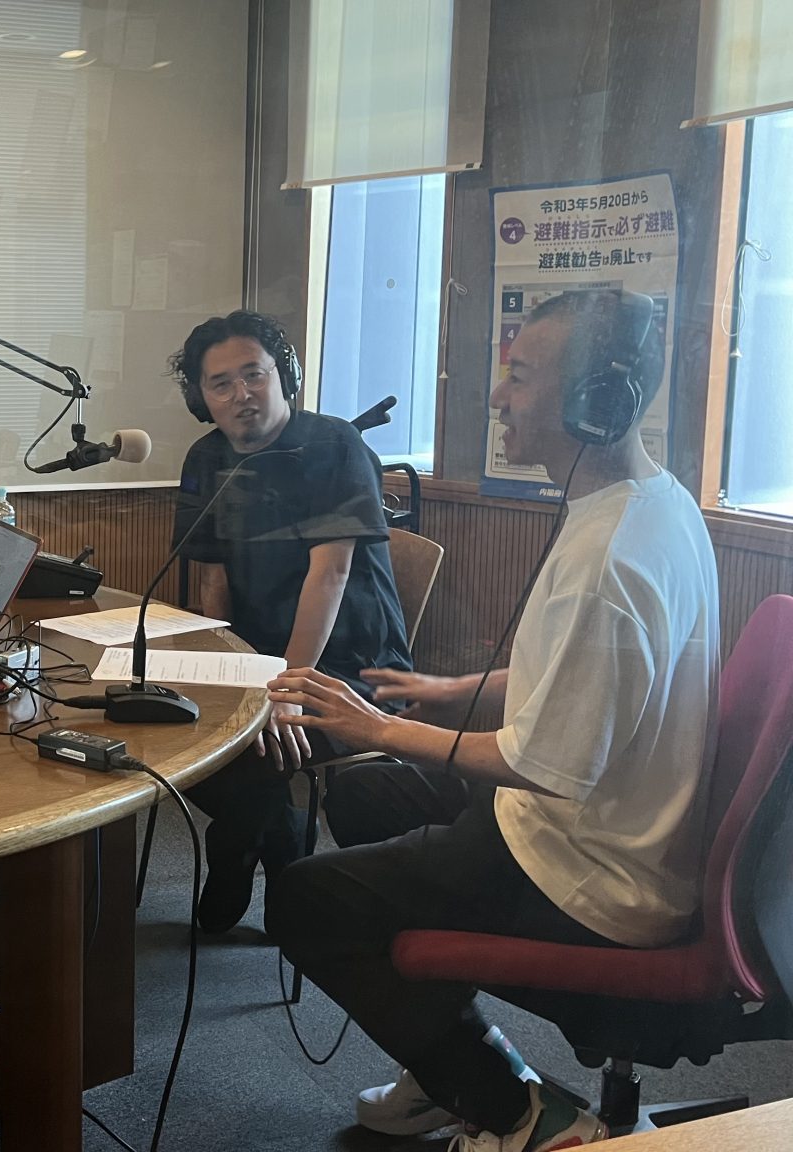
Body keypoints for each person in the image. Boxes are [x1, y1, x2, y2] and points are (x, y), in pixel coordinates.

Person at [267, 289, 719, 1150]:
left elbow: (544, 762)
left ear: (596, 399)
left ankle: (524, 1114)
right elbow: (584, 678)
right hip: (590, 830)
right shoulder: (652, 503)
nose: (500, 396)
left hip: (590, 877)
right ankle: (450, 1062)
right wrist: (451, 689)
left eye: (523, 375)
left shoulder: (609, 562)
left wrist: (381, 728)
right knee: (364, 798)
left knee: (304, 902)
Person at [168, 309, 412, 937]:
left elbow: (329, 575)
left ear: (285, 375)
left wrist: (285, 688)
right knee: (172, 730)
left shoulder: (335, 446)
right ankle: (280, 841)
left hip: (349, 663)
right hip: (255, 655)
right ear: (201, 398)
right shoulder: (206, 458)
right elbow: (213, 583)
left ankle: (236, 855)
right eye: (221, 383)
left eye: (254, 374)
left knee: (253, 755)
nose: (241, 393)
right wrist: (223, 672)